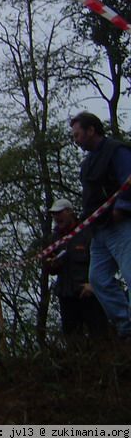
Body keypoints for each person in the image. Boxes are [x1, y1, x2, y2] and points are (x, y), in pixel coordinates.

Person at [70, 111, 131, 340]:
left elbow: (129, 179)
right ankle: (126, 325)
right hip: (99, 230)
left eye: (78, 135)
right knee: (97, 279)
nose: (75, 140)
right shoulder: (87, 165)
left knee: (130, 273)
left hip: (121, 224)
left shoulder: (117, 151)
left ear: (91, 130)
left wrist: (121, 207)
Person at [42, 198, 109, 340]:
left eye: (59, 212)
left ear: (70, 212)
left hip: (89, 293)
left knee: (100, 336)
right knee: (72, 340)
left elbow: (104, 262)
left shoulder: (87, 233)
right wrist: (50, 264)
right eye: (54, 214)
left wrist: (94, 285)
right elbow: (49, 267)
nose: (56, 217)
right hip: (66, 295)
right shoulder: (53, 239)